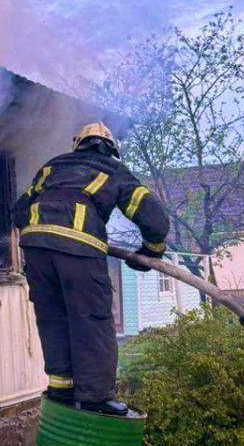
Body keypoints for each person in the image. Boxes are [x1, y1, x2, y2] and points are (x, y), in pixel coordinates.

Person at [14, 122, 170, 416]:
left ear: (78, 145)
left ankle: (61, 388)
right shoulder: (112, 170)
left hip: (36, 250)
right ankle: (95, 396)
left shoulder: (51, 167)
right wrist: (151, 252)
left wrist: (44, 236)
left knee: (54, 318)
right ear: (110, 148)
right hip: (79, 250)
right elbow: (155, 218)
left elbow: (18, 211)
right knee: (92, 320)